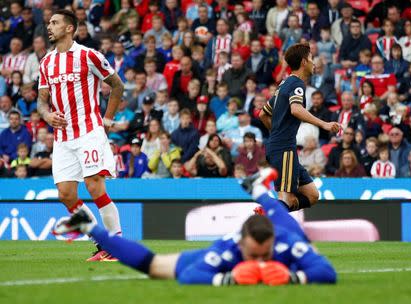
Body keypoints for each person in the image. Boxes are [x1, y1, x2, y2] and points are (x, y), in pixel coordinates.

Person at [53, 167, 337, 286]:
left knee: (292, 227)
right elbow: (190, 276)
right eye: (255, 256)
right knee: (155, 266)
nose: (261, 262)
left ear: (274, 245)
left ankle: (259, 190)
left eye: (265, 256)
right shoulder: (229, 248)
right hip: (227, 262)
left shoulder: (289, 243)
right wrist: (227, 280)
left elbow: (327, 272)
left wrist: (293, 278)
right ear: (242, 244)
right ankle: (90, 227)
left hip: (285, 236)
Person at [37, 9, 124, 261]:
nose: (49, 27)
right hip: (63, 137)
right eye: (49, 23)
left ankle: (116, 245)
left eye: (55, 23)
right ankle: (102, 243)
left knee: (94, 185)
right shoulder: (46, 62)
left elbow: (117, 85)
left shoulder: (88, 56)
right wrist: (46, 115)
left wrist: (106, 120)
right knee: (65, 194)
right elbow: (42, 101)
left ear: (69, 28)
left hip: (88, 132)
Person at [259, 42, 340, 211]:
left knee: (312, 195)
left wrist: (275, 133)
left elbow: (263, 114)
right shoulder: (297, 84)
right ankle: (267, 219)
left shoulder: (284, 85)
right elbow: (296, 109)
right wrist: (324, 124)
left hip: (280, 147)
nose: (314, 62)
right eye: (311, 58)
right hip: (284, 149)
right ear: (304, 62)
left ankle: (270, 212)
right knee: (286, 197)